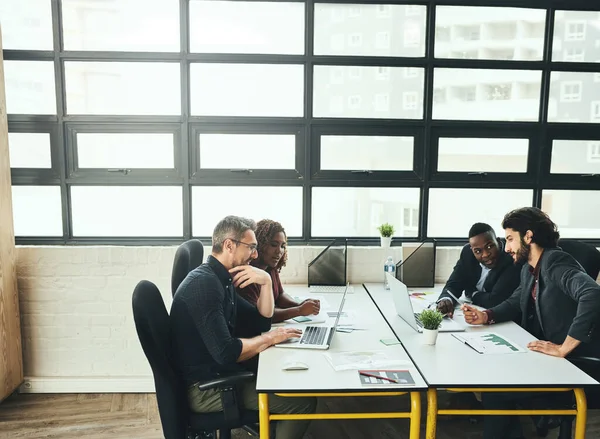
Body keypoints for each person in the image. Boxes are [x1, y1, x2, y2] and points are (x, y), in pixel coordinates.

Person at [170, 215, 316, 439]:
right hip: (205, 389)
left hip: (218, 374)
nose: (255, 255)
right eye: (251, 248)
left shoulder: (222, 278)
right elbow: (226, 352)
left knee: (288, 382)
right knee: (302, 403)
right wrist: (269, 339)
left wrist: (266, 281)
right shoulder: (205, 286)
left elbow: (261, 321)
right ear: (229, 245)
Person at [461, 207, 600, 439]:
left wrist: (564, 347)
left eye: (510, 239)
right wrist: (487, 316)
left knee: (496, 390)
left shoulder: (555, 262)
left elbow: (592, 294)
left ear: (528, 236)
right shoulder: (530, 267)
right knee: (494, 381)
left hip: (579, 363)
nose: (506, 248)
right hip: (549, 357)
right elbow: (517, 299)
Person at [238, 219, 321, 323]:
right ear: (259, 244)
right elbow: (261, 315)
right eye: (273, 244)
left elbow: (280, 296)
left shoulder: (270, 268)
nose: (279, 251)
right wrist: (299, 310)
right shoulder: (248, 274)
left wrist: (300, 305)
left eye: (282, 246)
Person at [437, 222, 522, 317]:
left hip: (501, 317)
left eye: (489, 246)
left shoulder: (510, 259)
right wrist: (446, 300)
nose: (485, 254)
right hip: (475, 314)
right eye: (478, 251)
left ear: (497, 242)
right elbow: (454, 284)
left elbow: (494, 301)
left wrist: (472, 293)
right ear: (472, 250)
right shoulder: (467, 254)